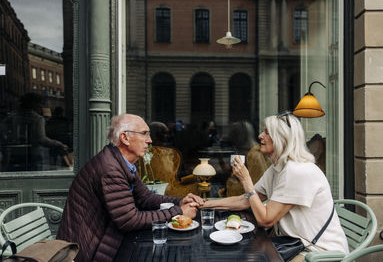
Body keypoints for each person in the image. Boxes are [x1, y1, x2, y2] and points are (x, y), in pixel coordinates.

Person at [203, 112, 349, 262]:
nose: (260, 136)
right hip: (294, 244)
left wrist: (246, 181)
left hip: (319, 251)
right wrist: (205, 204)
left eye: (267, 132)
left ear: (282, 139)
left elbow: (265, 220)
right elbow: (246, 200)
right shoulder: (277, 169)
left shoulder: (298, 171)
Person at [57, 114, 205, 262]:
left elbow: (145, 198)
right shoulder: (110, 169)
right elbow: (129, 220)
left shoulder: (121, 163)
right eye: (144, 134)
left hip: (107, 241)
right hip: (87, 252)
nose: (150, 140)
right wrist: (179, 212)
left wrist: (179, 202)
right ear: (125, 138)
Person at [0, 92, 68, 171]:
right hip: (33, 155)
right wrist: (59, 144)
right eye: (40, 103)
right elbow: (41, 139)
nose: (42, 106)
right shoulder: (38, 119)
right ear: (34, 104)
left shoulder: (12, 117)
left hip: (15, 155)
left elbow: (2, 130)